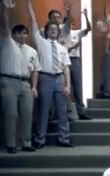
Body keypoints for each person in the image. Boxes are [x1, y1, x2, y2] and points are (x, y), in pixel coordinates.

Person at [27, 0, 73, 149]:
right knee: (43, 110)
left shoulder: (62, 48)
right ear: (46, 31)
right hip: (45, 78)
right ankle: (40, 140)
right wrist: (29, 6)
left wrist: (68, 85)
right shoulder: (41, 42)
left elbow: (66, 67)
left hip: (59, 78)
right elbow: (33, 23)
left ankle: (64, 138)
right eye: (50, 29)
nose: (53, 30)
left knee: (62, 111)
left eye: (55, 29)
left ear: (58, 32)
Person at [0, 5, 39, 153]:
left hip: (25, 83)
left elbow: (36, 70)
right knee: (11, 114)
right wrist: (6, 9)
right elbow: (4, 24)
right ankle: (11, 144)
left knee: (27, 113)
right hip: (8, 81)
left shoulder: (32, 51)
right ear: (14, 34)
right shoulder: (7, 43)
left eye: (25, 33)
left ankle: (27, 142)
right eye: (20, 33)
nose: (23, 36)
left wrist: (34, 86)